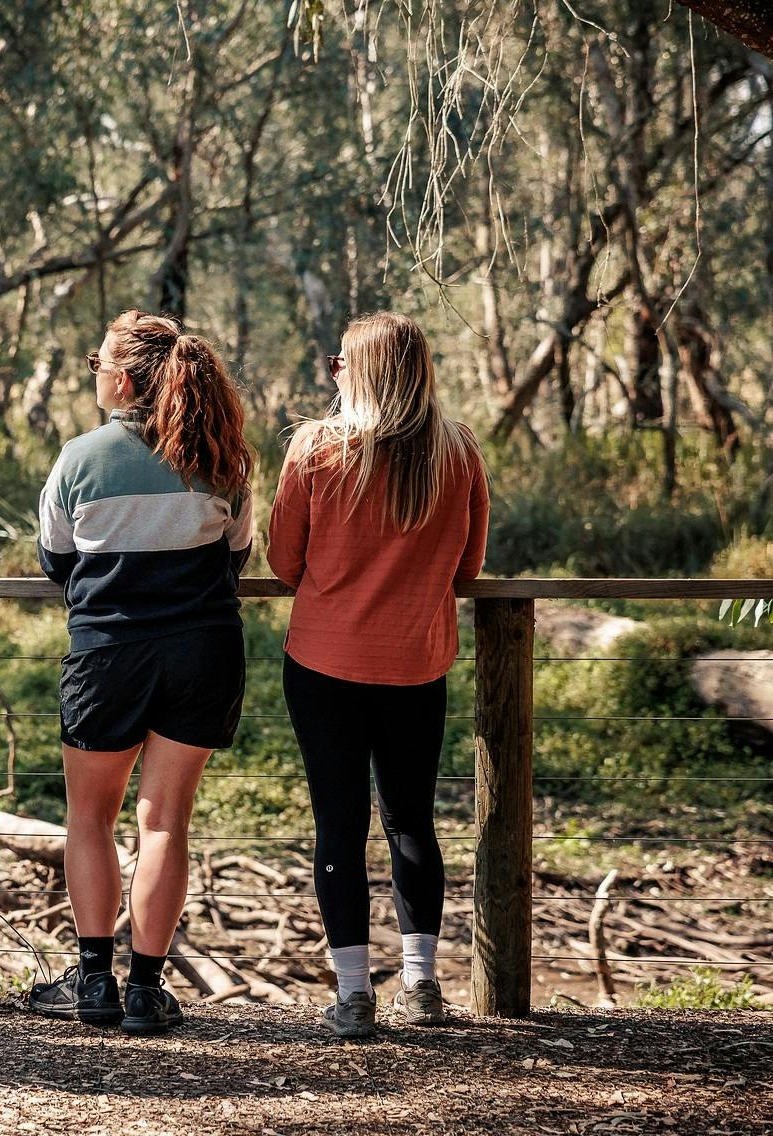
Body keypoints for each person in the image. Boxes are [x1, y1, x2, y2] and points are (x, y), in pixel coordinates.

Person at [29, 310, 254, 1034]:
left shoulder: (79, 457)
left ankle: (93, 981)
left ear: (120, 379)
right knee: (164, 822)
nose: (93, 372)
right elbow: (236, 558)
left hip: (107, 654)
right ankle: (145, 991)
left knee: (88, 816)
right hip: (203, 652)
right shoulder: (222, 455)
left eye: (95, 362)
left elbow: (56, 562)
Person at [267, 312, 488, 1039]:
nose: (332, 371)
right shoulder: (457, 453)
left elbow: (281, 564)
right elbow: (467, 571)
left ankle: (353, 996)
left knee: (338, 824)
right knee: (411, 819)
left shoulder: (316, 449)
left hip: (324, 662)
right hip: (415, 662)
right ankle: (421, 985)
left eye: (340, 362)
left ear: (355, 372)